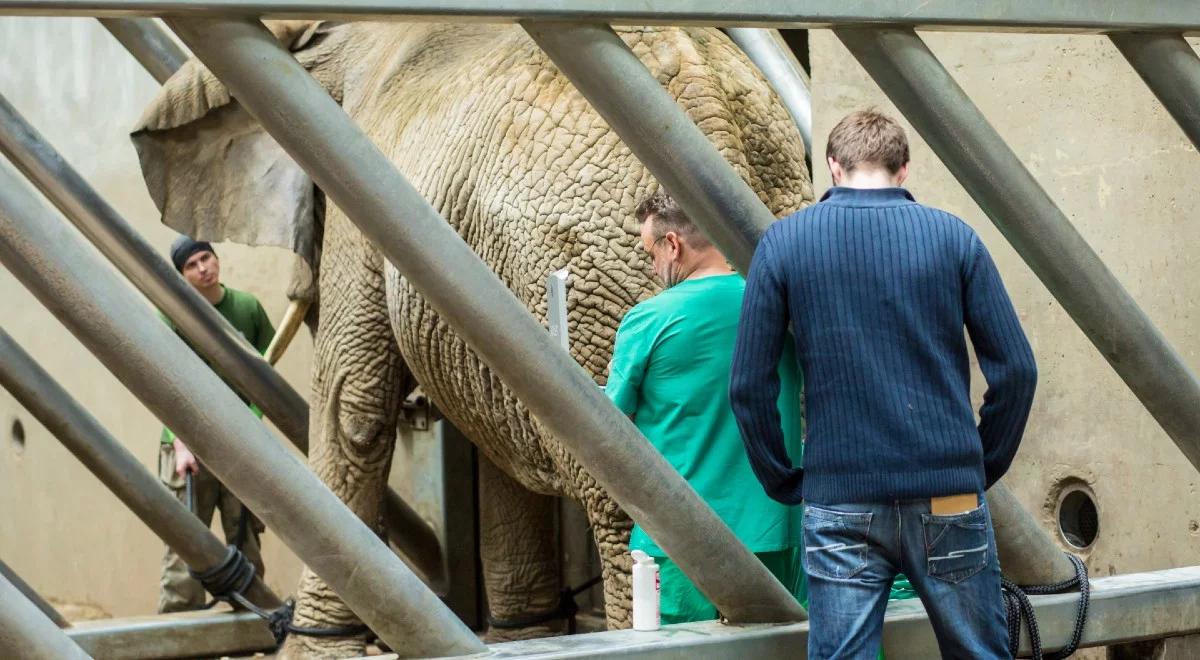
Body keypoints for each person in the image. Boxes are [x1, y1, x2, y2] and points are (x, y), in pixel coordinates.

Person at [731, 109, 1035, 659]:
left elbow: (749, 386)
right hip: (949, 494)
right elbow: (1017, 371)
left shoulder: (783, 244)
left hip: (839, 498)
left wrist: (783, 479)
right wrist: (978, 465)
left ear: (832, 167)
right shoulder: (955, 238)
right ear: (904, 169)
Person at [605, 190, 807, 623]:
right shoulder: (778, 310)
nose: (653, 268)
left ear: (673, 245)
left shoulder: (648, 320)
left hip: (679, 539)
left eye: (650, 254)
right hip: (776, 527)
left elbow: (608, 423)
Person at [157, 235, 276, 613]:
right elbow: (163, 382)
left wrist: (253, 424)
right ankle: (180, 629)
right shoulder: (173, 314)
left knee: (245, 535)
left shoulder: (247, 307)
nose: (202, 268)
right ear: (181, 275)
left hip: (239, 439)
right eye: (191, 265)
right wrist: (179, 442)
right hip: (188, 441)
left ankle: (252, 621)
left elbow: (267, 373)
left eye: (206, 258)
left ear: (217, 259)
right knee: (185, 537)